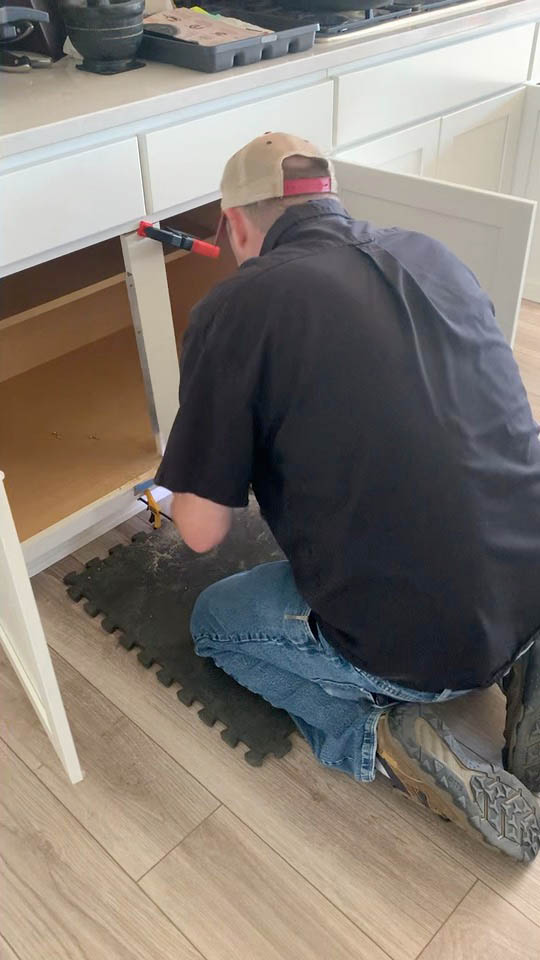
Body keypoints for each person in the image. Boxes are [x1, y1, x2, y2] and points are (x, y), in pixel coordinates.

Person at [156, 133, 540, 862]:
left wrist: (187, 460)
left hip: (419, 644)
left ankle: (380, 737)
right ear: (331, 196)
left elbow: (202, 531)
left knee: (214, 623)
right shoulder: (433, 253)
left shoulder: (237, 308)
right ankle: (531, 651)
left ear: (235, 223)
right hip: (530, 565)